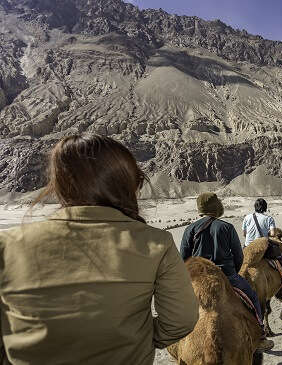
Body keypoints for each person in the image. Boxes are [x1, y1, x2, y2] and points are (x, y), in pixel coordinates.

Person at [0, 134, 198, 364]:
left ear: (60, 184)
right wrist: (139, 335)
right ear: (127, 186)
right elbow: (181, 320)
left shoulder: (8, 244)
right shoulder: (156, 242)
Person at [181, 192, 274, 351]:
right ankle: (260, 335)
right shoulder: (226, 227)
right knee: (252, 297)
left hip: (198, 278)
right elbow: (239, 257)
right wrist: (233, 273)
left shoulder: (190, 229)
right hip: (227, 276)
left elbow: (184, 258)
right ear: (217, 207)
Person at [242, 198, 282, 290]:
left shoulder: (247, 217)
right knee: (281, 257)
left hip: (248, 246)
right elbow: (273, 234)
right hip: (261, 246)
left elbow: (244, 234)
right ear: (265, 207)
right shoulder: (269, 218)